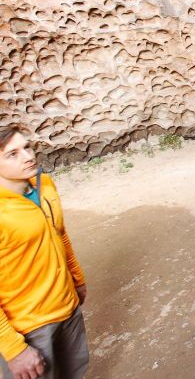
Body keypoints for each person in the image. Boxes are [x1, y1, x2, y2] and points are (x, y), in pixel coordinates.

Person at [0, 125, 89, 379]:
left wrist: (77, 279)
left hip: (67, 307)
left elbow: (59, 234)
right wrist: (14, 349)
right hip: (29, 325)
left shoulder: (45, 185)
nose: (28, 156)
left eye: (27, 147)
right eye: (12, 154)